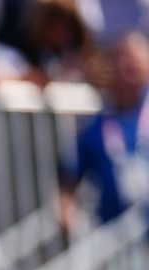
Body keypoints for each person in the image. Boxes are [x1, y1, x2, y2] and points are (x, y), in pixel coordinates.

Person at [59, 29, 149, 230]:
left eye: (134, 60)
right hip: (117, 242)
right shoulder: (95, 125)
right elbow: (69, 179)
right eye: (120, 59)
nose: (126, 66)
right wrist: (66, 208)